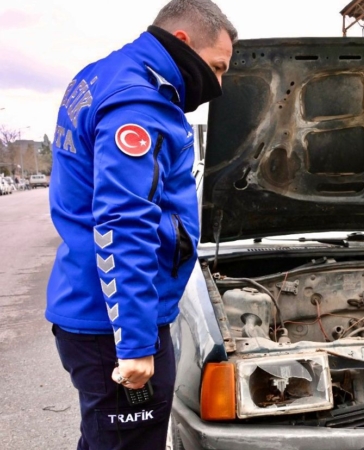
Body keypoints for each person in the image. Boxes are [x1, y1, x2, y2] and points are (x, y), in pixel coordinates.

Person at [46, 1, 236, 448]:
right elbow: (123, 223)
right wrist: (133, 343)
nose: (219, 84)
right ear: (183, 42)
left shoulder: (103, 77)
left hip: (96, 309)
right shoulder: (138, 101)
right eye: (218, 67)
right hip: (112, 326)